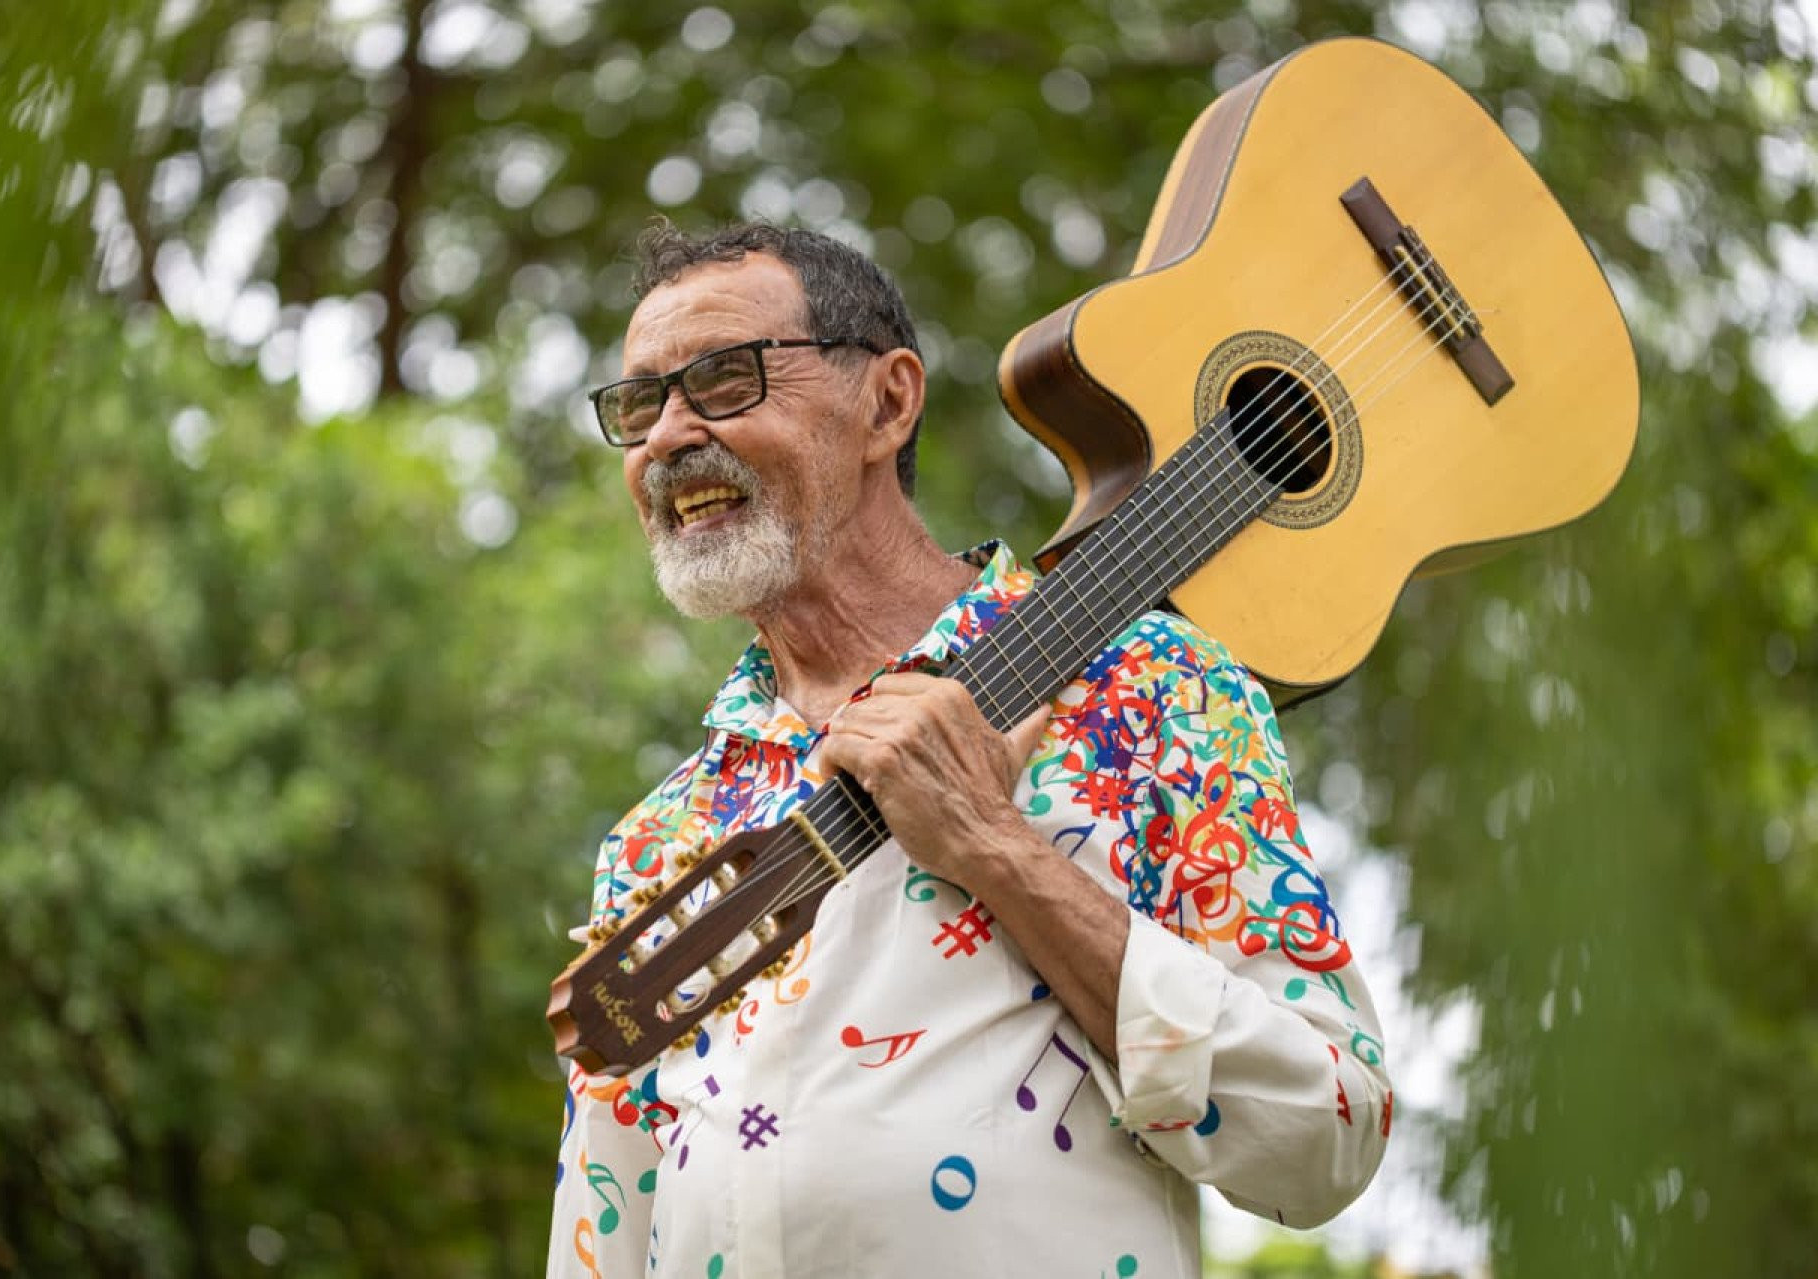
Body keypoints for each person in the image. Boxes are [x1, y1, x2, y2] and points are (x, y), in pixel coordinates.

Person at [548, 221, 1390, 1278]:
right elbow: (605, 1231)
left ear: (887, 402)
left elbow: (1329, 1126)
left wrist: (997, 843)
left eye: (723, 380)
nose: (667, 434)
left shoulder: (1148, 690)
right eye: (638, 403)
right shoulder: (659, 836)